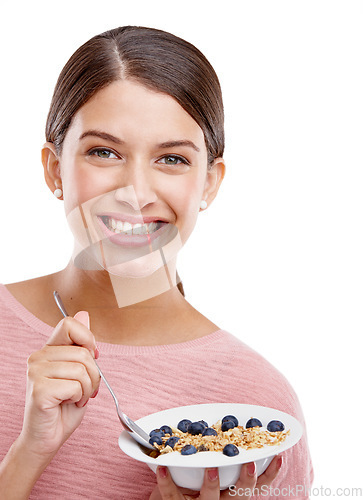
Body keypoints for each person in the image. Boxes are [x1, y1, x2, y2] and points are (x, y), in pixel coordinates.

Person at [0, 26, 313, 499]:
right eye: (104, 152)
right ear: (53, 168)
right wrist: (27, 455)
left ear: (209, 183)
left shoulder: (259, 408)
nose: (137, 194)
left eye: (171, 159)